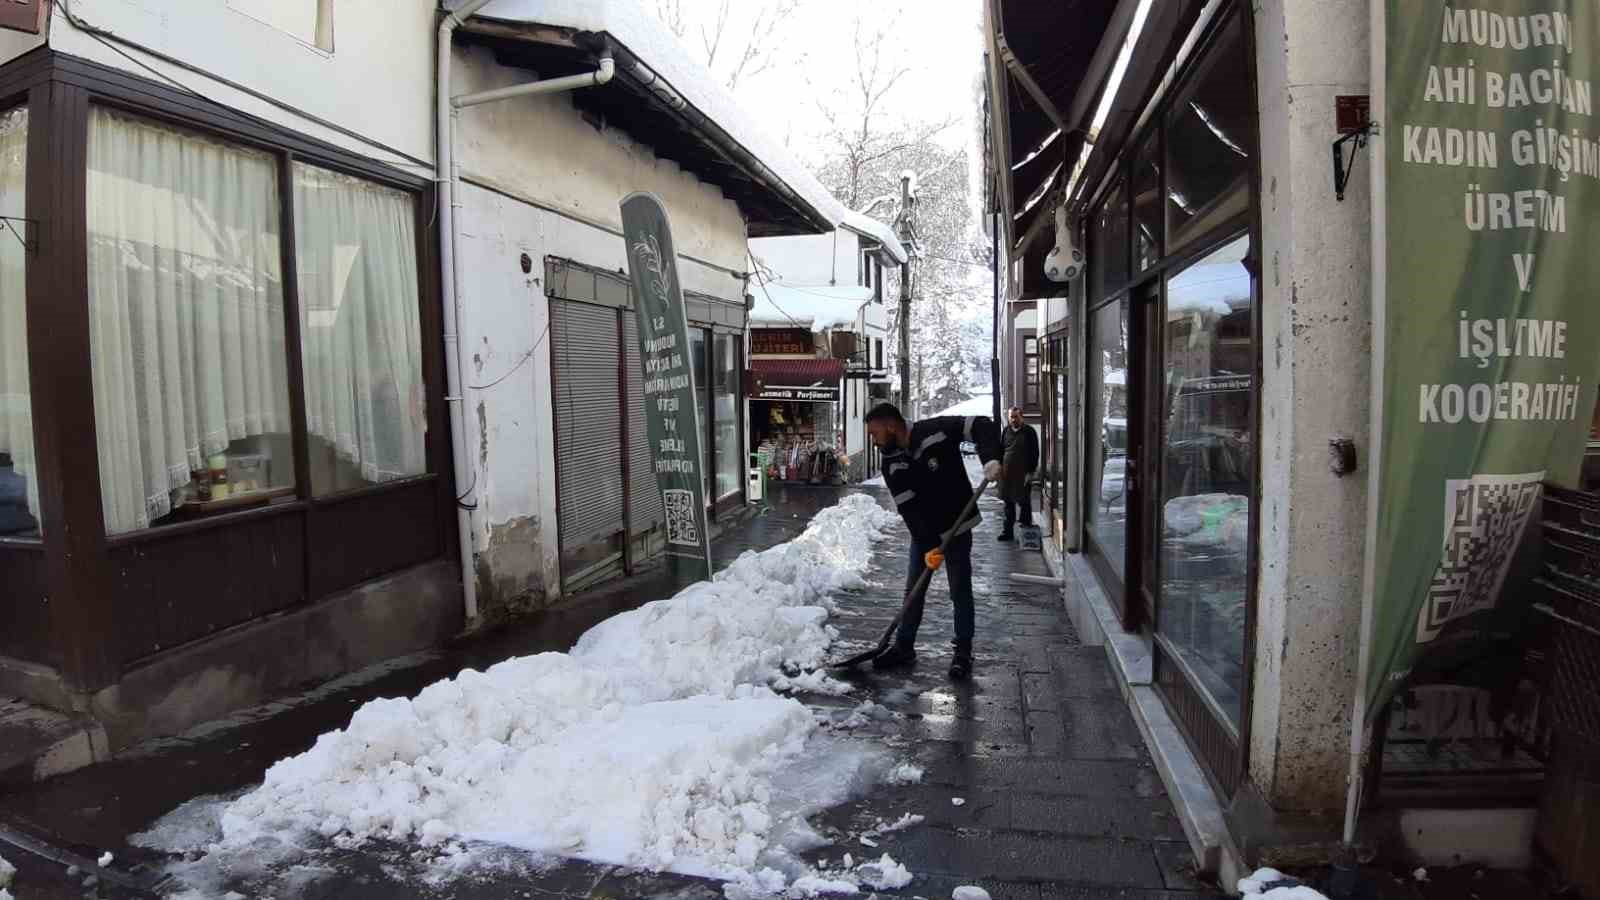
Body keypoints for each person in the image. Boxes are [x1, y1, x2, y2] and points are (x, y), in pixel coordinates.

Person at [864, 402, 1003, 680]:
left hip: (957, 526)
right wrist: (928, 544)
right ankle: (904, 646)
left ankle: (963, 651)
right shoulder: (890, 461)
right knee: (914, 588)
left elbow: (981, 424)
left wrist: (990, 458)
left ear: (891, 426)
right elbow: (909, 509)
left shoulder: (936, 431)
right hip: (925, 532)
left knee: (959, 590)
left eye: (875, 432)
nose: (873, 439)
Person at [998, 406, 1040, 542]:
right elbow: (1001, 451)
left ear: (1022, 417)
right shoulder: (1005, 431)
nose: (1013, 419)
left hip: (1023, 474)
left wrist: (1030, 472)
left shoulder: (1029, 432)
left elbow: (1035, 453)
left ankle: (1026, 533)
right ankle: (1007, 532)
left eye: (1016, 416)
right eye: (1011, 416)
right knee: (1008, 503)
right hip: (1007, 474)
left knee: (1024, 502)